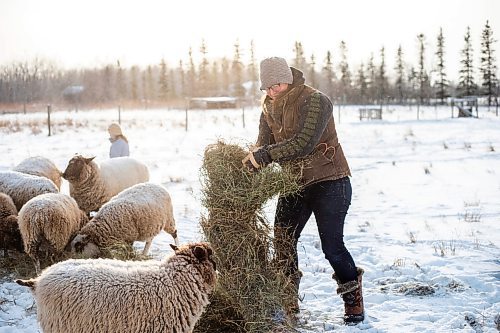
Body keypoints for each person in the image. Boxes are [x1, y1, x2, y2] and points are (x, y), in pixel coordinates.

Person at [242, 57, 364, 324]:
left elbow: (303, 144)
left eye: (277, 84)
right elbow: (263, 144)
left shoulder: (316, 101)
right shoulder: (268, 106)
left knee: (332, 246)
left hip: (329, 180)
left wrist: (263, 156)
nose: (273, 90)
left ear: (288, 78)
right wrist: (248, 162)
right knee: (283, 242)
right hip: (294, 183)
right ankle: (288, 302)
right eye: (268, 87)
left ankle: (353, 299)